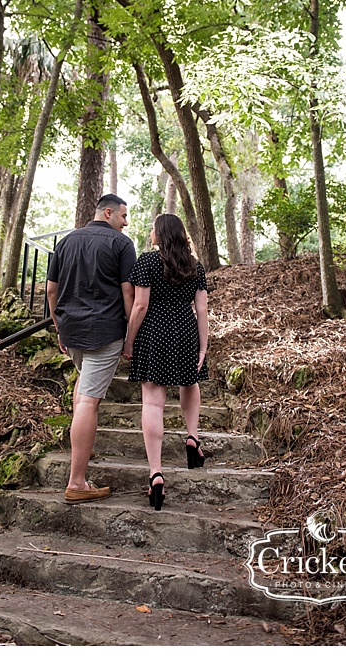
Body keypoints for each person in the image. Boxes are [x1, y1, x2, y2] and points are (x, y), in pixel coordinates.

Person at [45, 194, 136, 504]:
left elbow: (51, 290)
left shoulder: (66, 241)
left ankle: (83, 446)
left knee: (83, 385)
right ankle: (77, 482)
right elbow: (128, 291)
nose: (126, 222)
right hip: (104, 330)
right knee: (89, 401)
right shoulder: (122, 245)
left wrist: (59, 326)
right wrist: (130, 334)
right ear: (108, 213)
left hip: (72, 329)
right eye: (123, 215)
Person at [121, 213, 209, 512]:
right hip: (185, 329)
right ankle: (193, 439)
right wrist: (202, 349)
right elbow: (202, 311)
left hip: (154, 332)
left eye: (152, 228)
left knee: (153, 402)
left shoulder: (147, 262)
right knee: (190, 382)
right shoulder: (195, 266)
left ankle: (156, 472)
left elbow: (141, 304)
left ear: (161, 233)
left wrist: (130, 340)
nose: (149, 232)